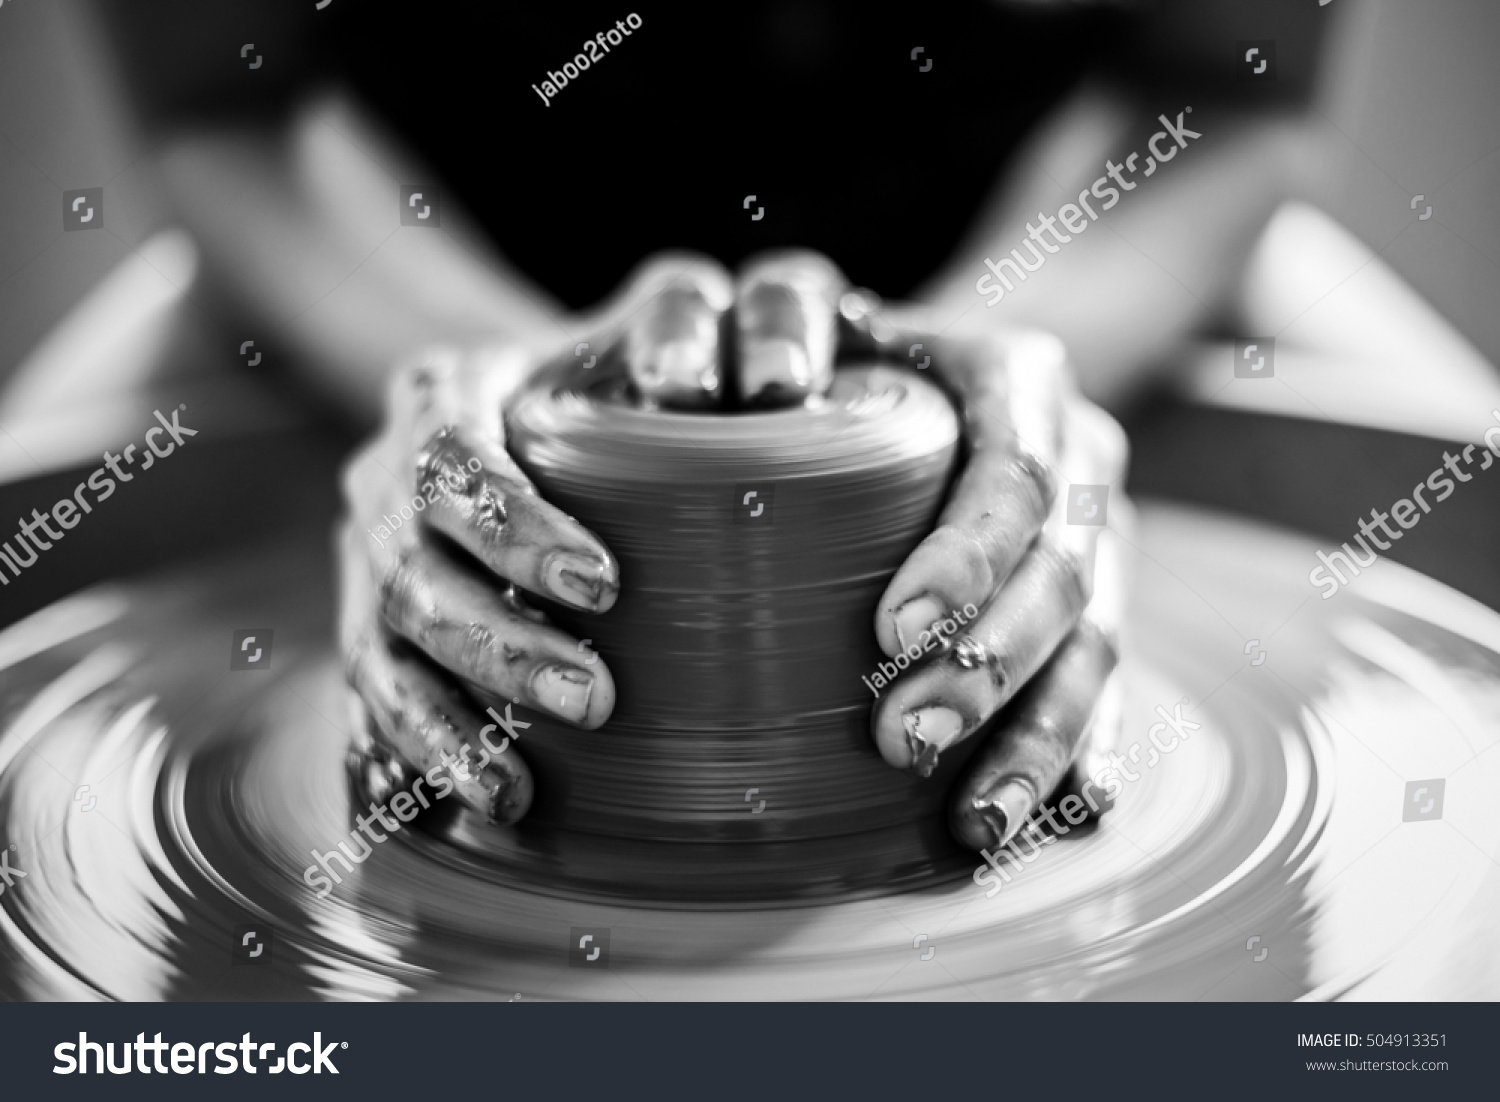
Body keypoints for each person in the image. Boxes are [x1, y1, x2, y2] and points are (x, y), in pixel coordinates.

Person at [71, 0, 1395, 850]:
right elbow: (222, 100)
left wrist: (1028, 390)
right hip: (393, 245)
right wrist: (474, 399)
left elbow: (1232, 84)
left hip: (1068, 230)